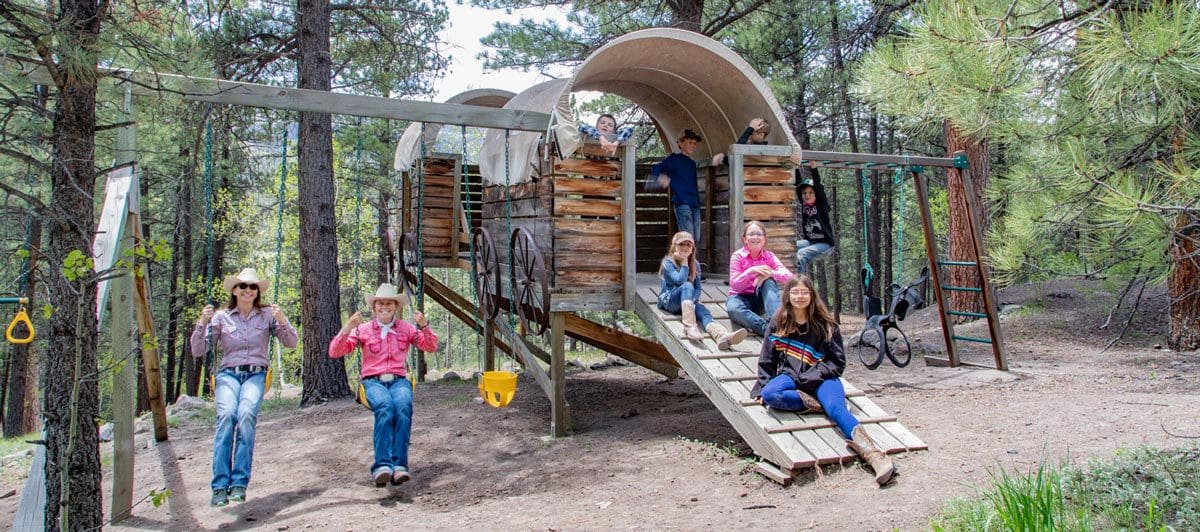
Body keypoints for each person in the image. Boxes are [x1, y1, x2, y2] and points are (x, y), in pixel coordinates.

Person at [749, 274, 896, 486]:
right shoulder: (778, 322)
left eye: (804, 292)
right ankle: (817, 405)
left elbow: (837, 363)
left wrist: (812, 375)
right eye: (795, 292)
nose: (799, 296)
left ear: (812, 295)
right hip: (791, 376)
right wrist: (760, 387)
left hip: (823, 379)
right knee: (770, 394)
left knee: (837, 410)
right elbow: (767, 359)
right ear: (788, 296)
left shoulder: (826, 324)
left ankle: (874, 455)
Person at [192, 267, 298, 507]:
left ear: (258, 291)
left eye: (253, 287)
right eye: (243, 286)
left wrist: (283, 320)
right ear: (234, 290)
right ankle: (219, 486)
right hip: (228, 375)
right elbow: (198, 350)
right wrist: (202, 322)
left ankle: (239, 482)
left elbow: (291, 343)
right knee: (227, 417)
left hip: (256, 375)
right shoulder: (221, 317)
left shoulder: (267, 316)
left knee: (246, 416)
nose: (248, 290)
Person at [329, 283, 438, 487]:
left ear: (395, 306)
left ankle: (399, 467)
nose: (385, 307)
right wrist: (347, 328)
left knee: (403, 407)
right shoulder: (363, 330)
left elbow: (430, 346)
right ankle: (382, 465)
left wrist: (424, 325)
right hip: (372, 382)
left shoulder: (406, 328)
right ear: (374, 307)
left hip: (398, 380)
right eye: (380, 303)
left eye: (389, 303)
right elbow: (335, 352)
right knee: (386, 407)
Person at [658, 231, 747, 350]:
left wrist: (693, 299)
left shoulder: (695, 264)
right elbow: (679, 280)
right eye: (681, 244)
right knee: (687, 286)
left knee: (703, 311)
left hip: (687, 303)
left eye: (688, 245)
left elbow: (698, 288)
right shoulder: (668, 262)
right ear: (674, 246)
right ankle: (689, 326)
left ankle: (721, 335)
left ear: (692, 248)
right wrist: (684, 263)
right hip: (669, 301)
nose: (685, 247)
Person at [727, 220, 793, 336]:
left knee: (768, 281)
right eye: (751, 234)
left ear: (764, 239)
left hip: (761, 299)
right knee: (733, 309)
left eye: (759, 234)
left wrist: (771, 273)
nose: (755, 237)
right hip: (739, 297)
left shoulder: (769, 256)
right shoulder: (737, 256)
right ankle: (769, 329)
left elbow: (789, 277)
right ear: (744, 239)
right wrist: (750, 271)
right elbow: (735, 285)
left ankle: (777, 322)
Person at [651, 128, 705, 249]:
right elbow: (656, 168)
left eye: (695, 143)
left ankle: (692, 265)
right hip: (682, 202)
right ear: (680, 143)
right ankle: (687, 266)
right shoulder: (674, 159)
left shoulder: (691, 163)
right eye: (690, 142)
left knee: (697, 237)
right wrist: (661, 177)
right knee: (688, 237)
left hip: (694, 203)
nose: (693, 145)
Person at [794, 171, 836, 274]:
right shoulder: (805, 205)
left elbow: (818, 186)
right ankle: (789, 274)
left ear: (816, 193)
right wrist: (795, 167)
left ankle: (798, 282)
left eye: (810, 192)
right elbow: (798, 183)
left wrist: (813, 167)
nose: (807, 195)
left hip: (826, 245)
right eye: (804, 193)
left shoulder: (821, 206)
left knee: (801, 253)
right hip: (811, 242)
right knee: (791, 246)